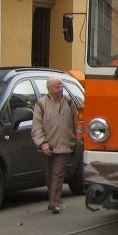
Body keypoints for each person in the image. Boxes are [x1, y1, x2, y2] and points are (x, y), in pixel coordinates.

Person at [32, 77, 78, 213]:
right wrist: (42, 143)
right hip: (48, 146)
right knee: (49, 175)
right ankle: (53, 199)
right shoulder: (41, 104)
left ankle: (55, 202)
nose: (61, 89)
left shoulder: (69, 102)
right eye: (58, 87)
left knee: (58, 174)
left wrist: (76, 139)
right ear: (50, 89)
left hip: (64, 145)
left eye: (62, 86)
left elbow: (76, 122)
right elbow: (36, 127)